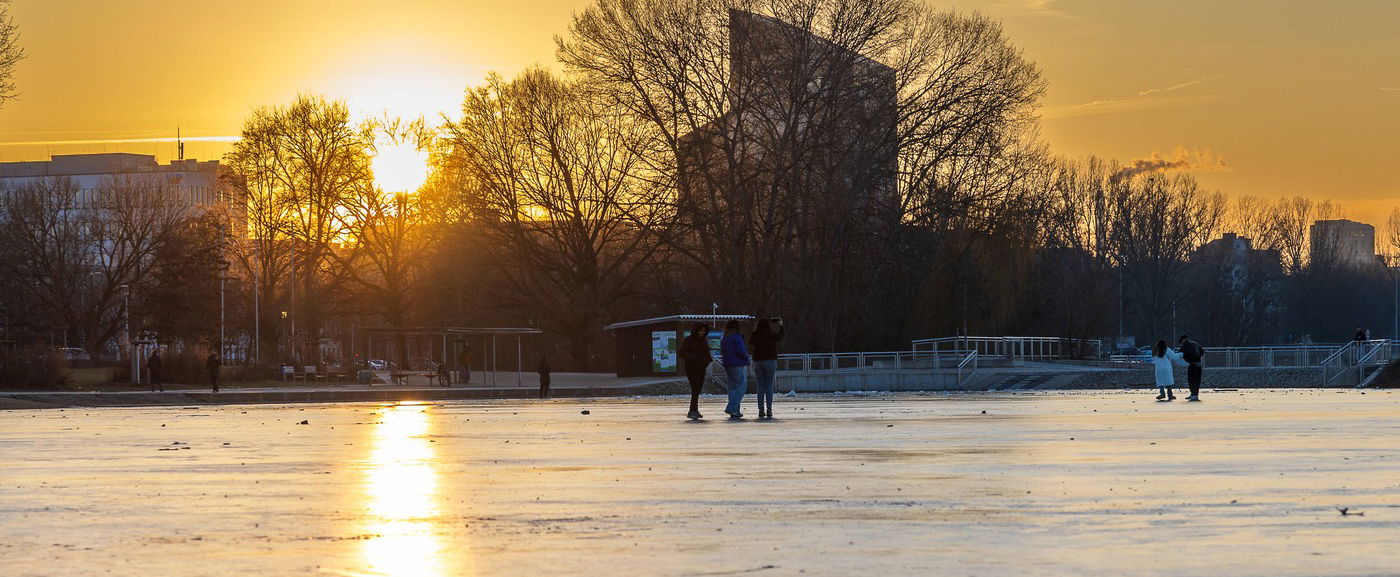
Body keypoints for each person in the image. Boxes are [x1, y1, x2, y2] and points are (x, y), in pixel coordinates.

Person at [749, 317, 785, 420]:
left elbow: (751, 341)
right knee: (769, 386)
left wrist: (754, 329)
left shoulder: (756, 336)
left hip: (758, 362)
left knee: (760, 386)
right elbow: (782, 335)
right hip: (770, 361)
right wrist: (781, 325)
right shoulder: (772, 335)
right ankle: (769, 409)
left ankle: (761, 410)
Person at [678, 323, 712, 419]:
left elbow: (707, 353)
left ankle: (694, 410)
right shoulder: (689, 340)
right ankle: (692, 410)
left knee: (697, 389)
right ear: (696, 330)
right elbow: (682, 352)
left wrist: (706, 361)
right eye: (700, 330)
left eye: (704, 331)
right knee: (695, 387)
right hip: (691, 368)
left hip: (701, 368)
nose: (702, 332)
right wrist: (693, 358)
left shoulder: (704, 340)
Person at [719, 320, 750, 419]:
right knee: (741, 387)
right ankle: (731, 408)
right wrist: (746, 358)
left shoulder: (724, 337)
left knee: (732, 388)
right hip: (738, 364)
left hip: (727, 364)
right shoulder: (737, 336)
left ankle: (735, 411)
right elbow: (741, 350)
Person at [1178, 335, 1205, 401]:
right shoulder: (1196, 343)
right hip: (1199, 364)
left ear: (1183, 340)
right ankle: (1195, 394)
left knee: (1191, 380)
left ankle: (1193, 395)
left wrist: (1187, 357)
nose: (1181, 343)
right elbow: (1202, 352)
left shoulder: (1185, 344)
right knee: (1197, 380)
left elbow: (1179, 353)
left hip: (1193, 364)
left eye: (1181, 342)